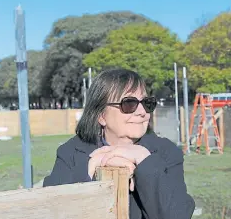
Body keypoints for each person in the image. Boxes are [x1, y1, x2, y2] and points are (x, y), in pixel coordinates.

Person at [43, 68, 195, 219]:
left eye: (147, 103)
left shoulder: (167, 152)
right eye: (129, 103)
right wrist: (90, 168)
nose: (142, 112)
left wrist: (144, 160)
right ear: (101, 115)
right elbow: (49, 209)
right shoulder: (70, 152)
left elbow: (177, 214)